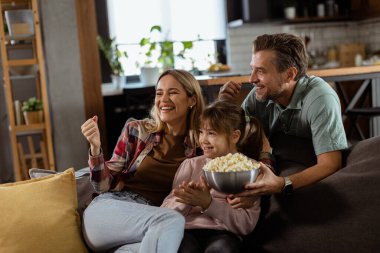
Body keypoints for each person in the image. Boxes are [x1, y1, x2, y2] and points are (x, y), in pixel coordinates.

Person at [80, 69, 205, 253]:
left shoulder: (201, 146)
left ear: (192, 100)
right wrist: (95, 148)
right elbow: (102, 186)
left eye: (173, 92)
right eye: (159, 93)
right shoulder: (137, 131)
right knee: (172, 220)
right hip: (109, 211)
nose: (163, 99)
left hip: (150, 224)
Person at [218, 33, 348, 197]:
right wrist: (223, 103)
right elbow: (231, 136)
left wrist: (281, 184)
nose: (251, 79)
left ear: (289, 74)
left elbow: (330, 164)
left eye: (261, 71)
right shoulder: (260, 94)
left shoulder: (320, 98)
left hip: (306, 163)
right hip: (272, 162)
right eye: (252, 69)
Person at [161, 100, 275, 253]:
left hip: (225, 235)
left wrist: (209, 203)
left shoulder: (250, 169)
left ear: (234, 136)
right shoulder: (190, 165)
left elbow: (246, 225)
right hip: (186, 230)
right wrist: (188, 200)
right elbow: (164, 213)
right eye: (201, 132)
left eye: (212, 133)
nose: (203, 140)